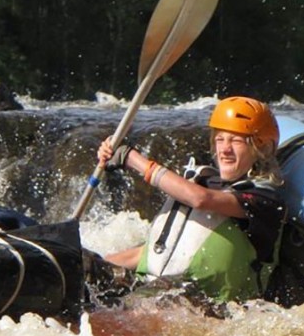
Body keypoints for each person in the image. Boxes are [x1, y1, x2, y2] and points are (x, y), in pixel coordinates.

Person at [92, 96, 287, 303]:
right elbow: (148, 254)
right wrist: (97, 264)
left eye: (236, 140)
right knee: (82, 270)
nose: (225, 149)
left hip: (211, 307)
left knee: (148, 300)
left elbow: (201, 200)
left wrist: (132, 159)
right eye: (220, 139)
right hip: (158, 288)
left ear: (261, 149)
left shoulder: (265, 200)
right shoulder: (205, 182)